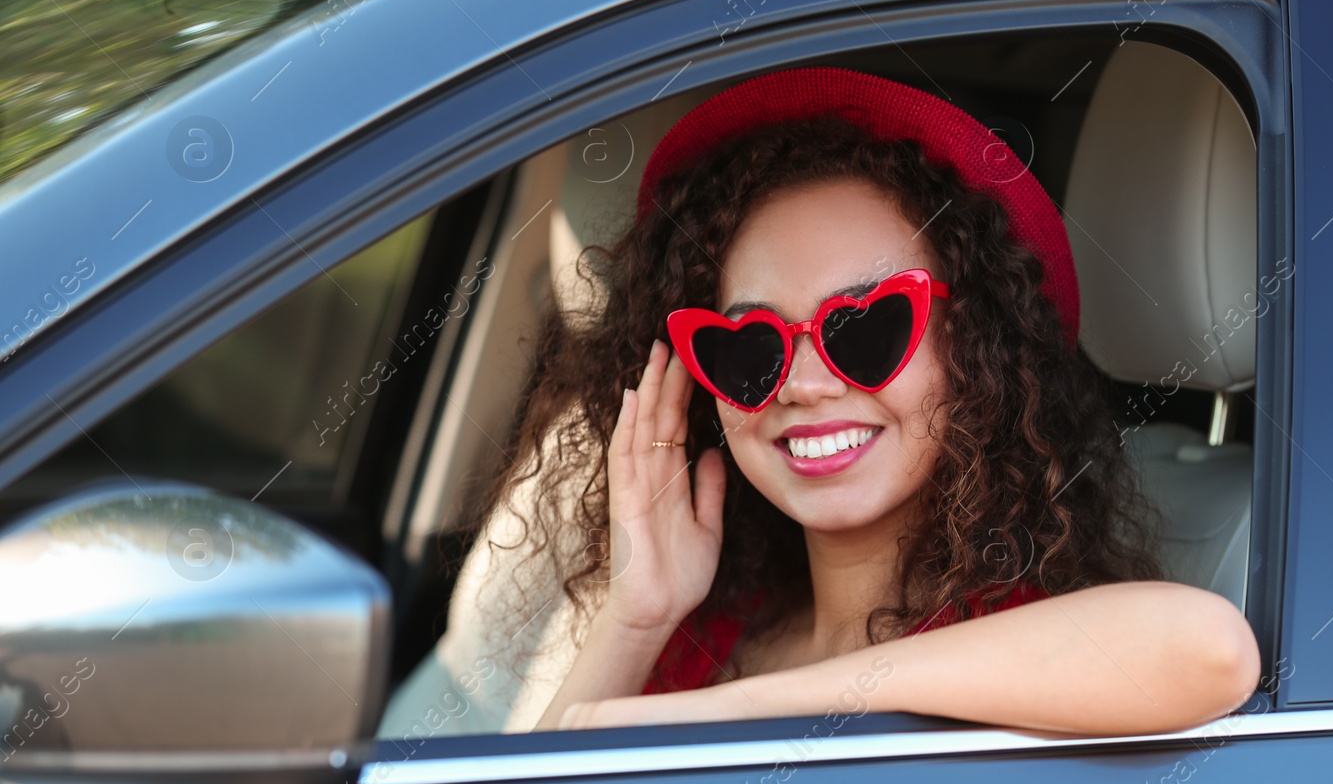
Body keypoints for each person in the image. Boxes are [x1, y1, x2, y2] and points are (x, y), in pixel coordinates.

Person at [478, 66, 1259, 735]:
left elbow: (1212, 648)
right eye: (751, 345)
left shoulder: (1014, 640)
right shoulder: (710, 633)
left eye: (866, 327)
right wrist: (634, 616)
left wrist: (753, 712)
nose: (803, 383)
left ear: (974, 345)